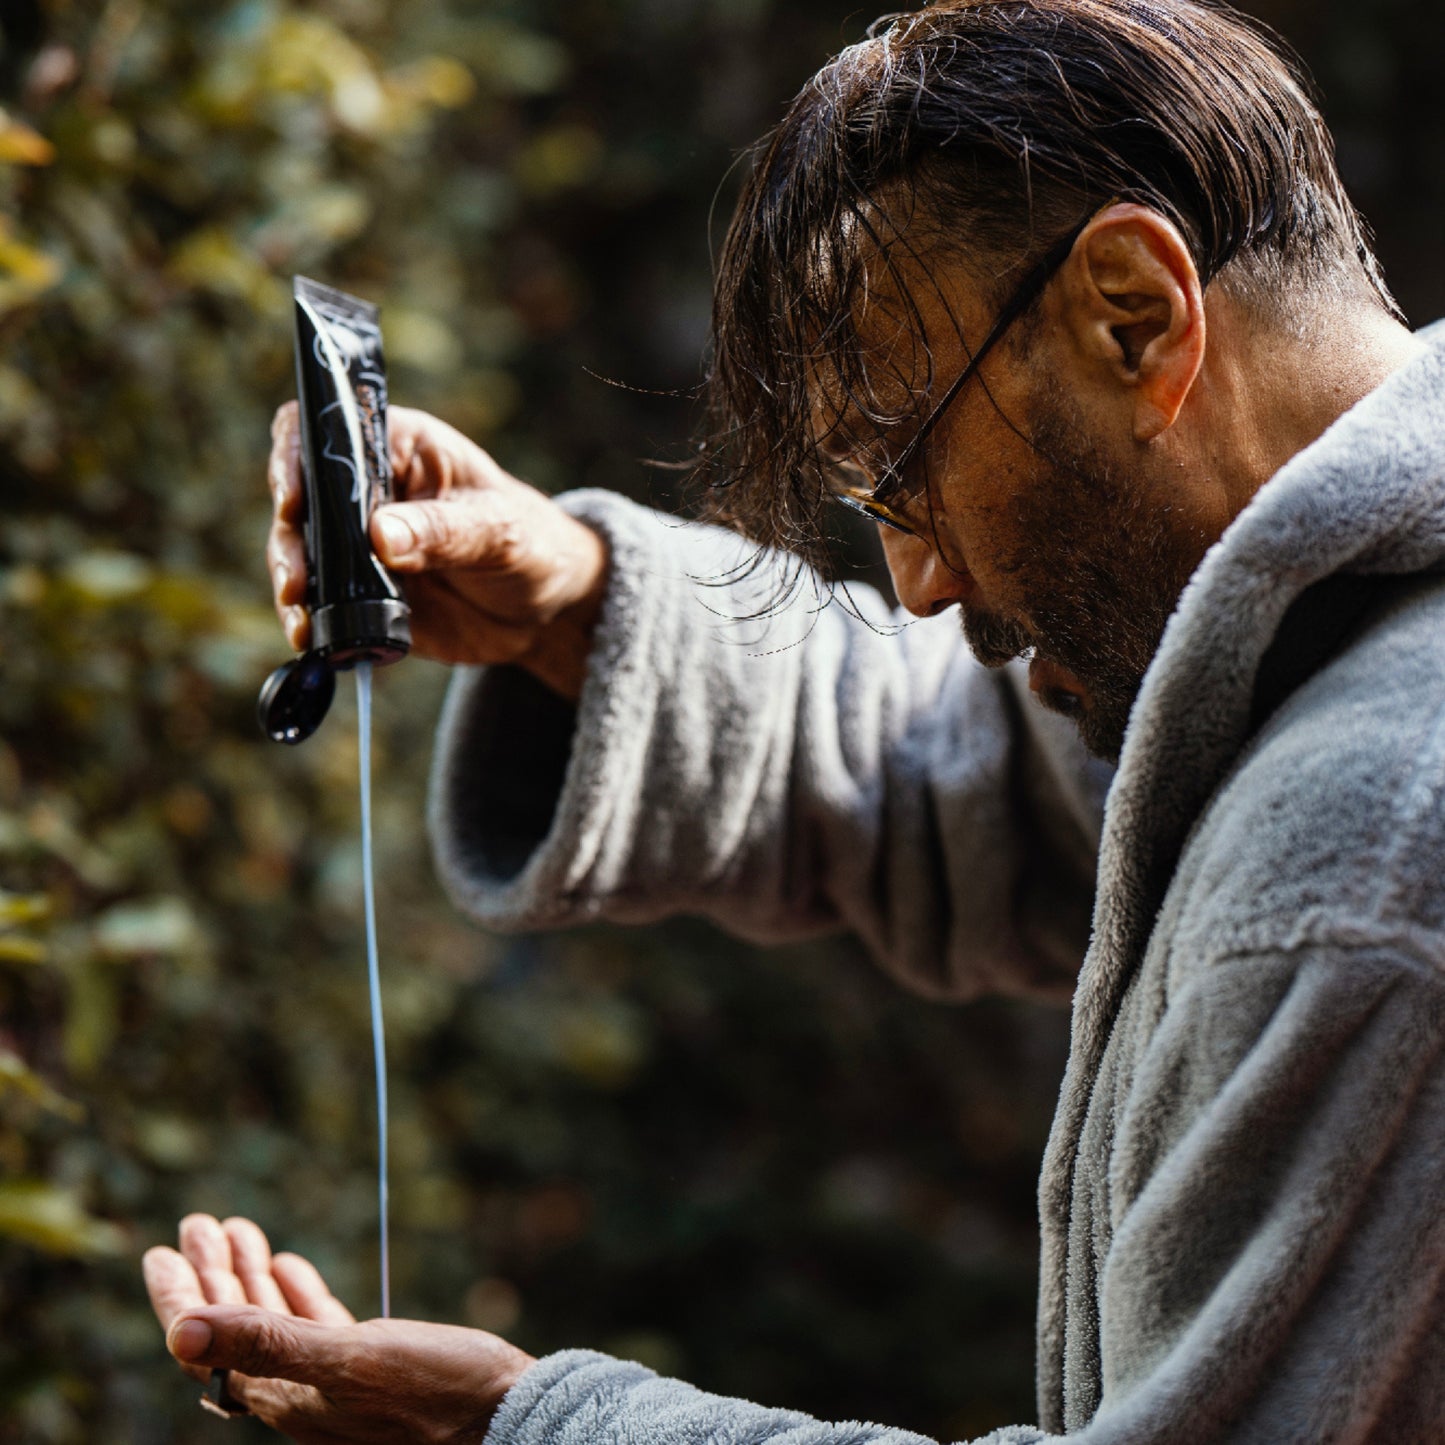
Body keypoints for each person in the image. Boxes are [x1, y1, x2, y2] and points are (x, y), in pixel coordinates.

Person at [144, 0, 1445, 1439]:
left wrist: (521, 1423)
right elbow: (977, 774)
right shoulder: (1319, 659)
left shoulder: (1373, 847)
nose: (920, 580)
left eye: (902, 464)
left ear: (1133, 313)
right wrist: (571, 606)